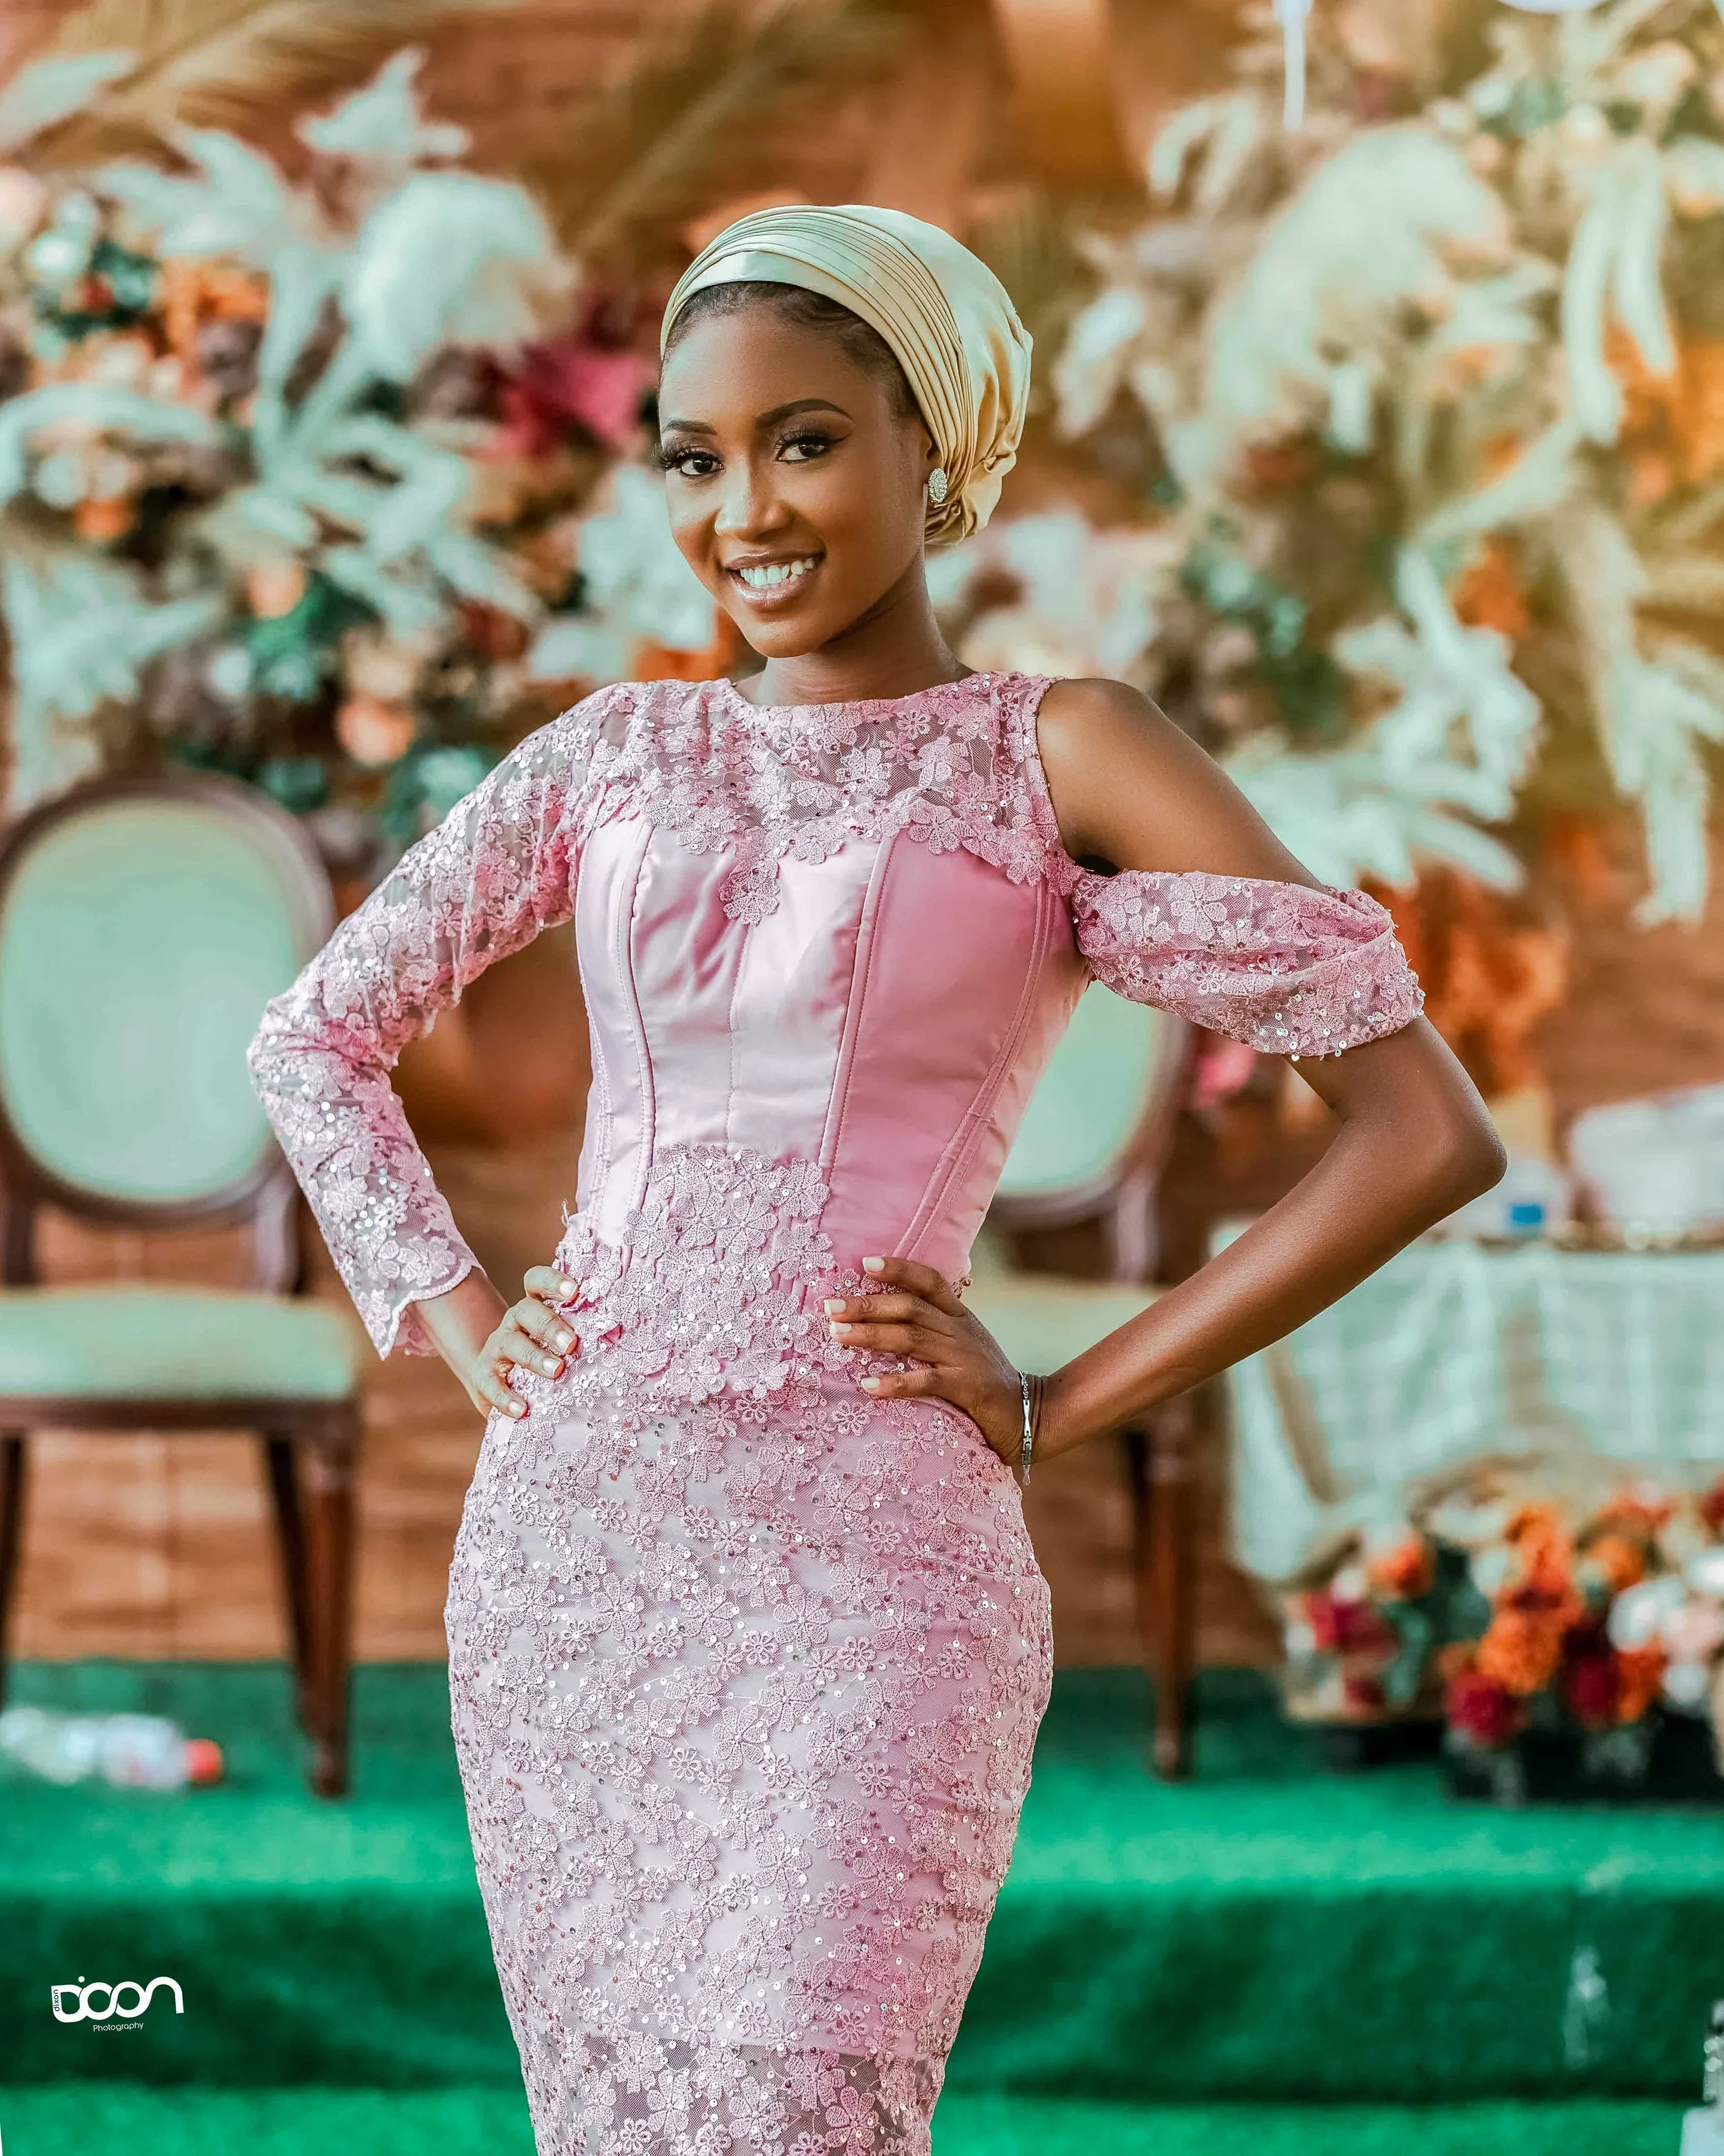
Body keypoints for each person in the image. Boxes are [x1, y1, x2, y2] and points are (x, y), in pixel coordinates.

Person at [249, 203, 1503, 2156]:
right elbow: (315, 1035)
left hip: (880, 1572)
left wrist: (1059, 1401)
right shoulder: (609, 754)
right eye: (695, 456)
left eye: (806, 440)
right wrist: (472, 1325)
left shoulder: (1060, 751)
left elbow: (1426, 1131)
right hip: (577, 1558)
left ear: (937, 442)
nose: (743, 509)